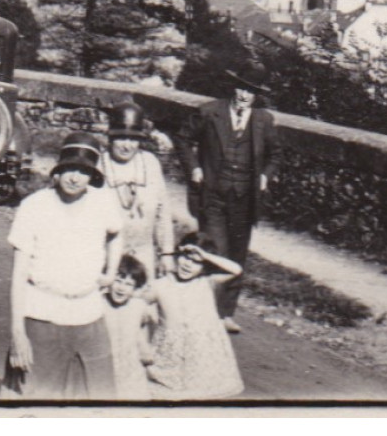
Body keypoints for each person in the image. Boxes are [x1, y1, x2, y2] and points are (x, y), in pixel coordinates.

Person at [4, 132, 125, 400]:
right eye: (69, 168)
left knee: (99, 396)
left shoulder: (102, 202)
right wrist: (17, 333)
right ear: (58, 171)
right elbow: (19, 275)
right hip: (42, 315)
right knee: (36, 399)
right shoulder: (33, 207)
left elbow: (117, 233)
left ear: (92, 175)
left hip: (89, 314)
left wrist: (111, 272)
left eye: (83, 171)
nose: (74, 177)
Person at [176, 62, 278, 333]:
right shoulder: (210, 113)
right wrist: (195, 169)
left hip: (245, 198)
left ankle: (225, 313)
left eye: (251, 92)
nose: (244, 95)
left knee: (237, 254)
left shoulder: (263, 121)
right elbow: (184, 139)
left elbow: (274, 155)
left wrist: (266, 176)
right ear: (234, 87)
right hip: (213, 194)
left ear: (257, 96)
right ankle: (204, 308)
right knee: (214, 249)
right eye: (242, 88)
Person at [146, 236, 245, 400]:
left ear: (204, 266)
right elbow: (138, 300)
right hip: (171, 349)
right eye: (185, 257)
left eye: (196, 262)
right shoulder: (161, 284)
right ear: (177, 256)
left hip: (201, 349)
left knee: (203, 387)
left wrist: (206, 256)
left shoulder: (207, 282)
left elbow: (236, 270)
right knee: (168, 388)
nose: (188, 264)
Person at [98, 102, 176, 279]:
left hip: (143, 252)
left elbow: (162, 211)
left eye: (133, 139)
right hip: (105, 254)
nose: (127, 145)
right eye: (121, 138)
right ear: (110, 137)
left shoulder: (150, 163)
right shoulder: (98, 165)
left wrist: (166, 253)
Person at [103, 254, 157, 401]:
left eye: (128, 284)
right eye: (118, 281)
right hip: (105, 367)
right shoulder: (99, 304)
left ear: (135, 288)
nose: (121, 288)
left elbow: (141, 333)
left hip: (131, 368)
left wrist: (146, 352)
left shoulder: (139, 306)